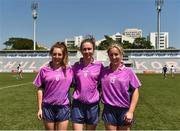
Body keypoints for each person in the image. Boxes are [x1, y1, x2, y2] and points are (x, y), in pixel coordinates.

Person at [33, 42, 73, 130]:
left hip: (63, 107)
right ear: (51, 54)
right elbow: (40, 89)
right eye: (54, 54)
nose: (57, 57)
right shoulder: (44, 70)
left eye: (59, 54)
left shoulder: (70, 70)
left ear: (63, 55)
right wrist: (40, 109)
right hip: (47, 107)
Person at [100, 44, 141, 130]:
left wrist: (130, 111)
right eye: (111, 55)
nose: (114, 57)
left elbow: (135, 91)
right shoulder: (103, 71)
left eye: (116, 54)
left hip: (124, 110)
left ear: (121, 55)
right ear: (108, 56)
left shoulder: (128, 71)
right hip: (109, 110)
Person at [71, 36, 103, 130]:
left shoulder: (99, 66)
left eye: (89, 49)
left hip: (93, 105)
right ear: (81, 50)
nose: (87, 51)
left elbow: (104, 83)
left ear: (93, 49)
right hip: (77, 105)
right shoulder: (76, 66)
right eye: (84, 49)